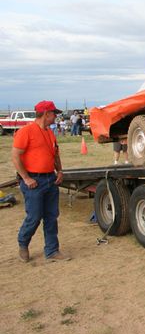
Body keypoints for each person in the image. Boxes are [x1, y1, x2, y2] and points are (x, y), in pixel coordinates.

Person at [12, 100, 70, 263]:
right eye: (54, 114)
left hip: (50, 179)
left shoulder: (50, 133)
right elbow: (15, 156)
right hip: (34, 181)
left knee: (51, 216)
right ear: (47, 114)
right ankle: (23, 243)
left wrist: (59, 171)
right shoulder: (26, 131)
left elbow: (55, 154)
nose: (56, 117)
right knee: (35, 216)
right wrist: (26, 178)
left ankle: (52, 250)